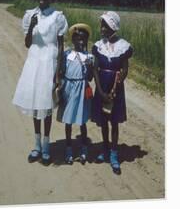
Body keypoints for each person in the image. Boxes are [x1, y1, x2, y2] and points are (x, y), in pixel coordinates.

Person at [12, 0, 68, 165]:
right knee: (36, 104)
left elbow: (60, 46)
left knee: (46, 105)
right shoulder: (30, 15)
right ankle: (36, 145)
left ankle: (46, 146)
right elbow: (28, 43)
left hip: (49, 63)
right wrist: (31, 28)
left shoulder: (57, 16)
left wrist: (59, 70)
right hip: (34, 62)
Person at [91, 11, 133, 175]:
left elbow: (125, 69)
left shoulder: (123, 46)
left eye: (105, 26)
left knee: (114, 121)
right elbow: (95, 69)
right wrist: (101, 91)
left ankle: (114, 154)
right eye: (101, 25)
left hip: (116, 89)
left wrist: (117, 85)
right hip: (101, 85)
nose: (102, 29)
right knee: (103, 121)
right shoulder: (98, 46)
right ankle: (105, 148)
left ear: (113, 27)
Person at [56, 24, 93, 165]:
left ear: (86, 40)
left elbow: (89, 78)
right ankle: (69, 149)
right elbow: (62, 71)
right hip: (69, 89)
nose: (80, 42)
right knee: (69, 120)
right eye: (77, 39)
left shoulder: (88, 57)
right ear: (73, 40)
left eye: (83, 39)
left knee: (82, 120)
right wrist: (59, 85)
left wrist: (89, 67)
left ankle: (84, 150)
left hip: (82, 89)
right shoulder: (67, 54)